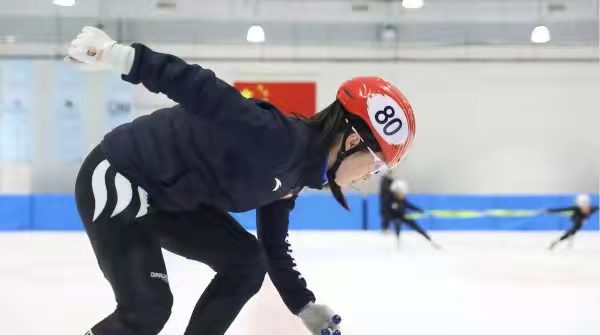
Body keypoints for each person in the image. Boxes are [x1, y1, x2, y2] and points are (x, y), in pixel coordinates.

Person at [67, 26, 416, 335]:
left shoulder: (295, 175)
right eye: (376, 165)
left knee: (248, 261)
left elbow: (273, 247)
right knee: (145, 310)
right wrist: (119, 55)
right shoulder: (278, 140)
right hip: (120, 173)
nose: (369, 177)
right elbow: (202, 91)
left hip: (167, 200)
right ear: (353, 142)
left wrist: (304, 306)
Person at [388, 180, 440, 249]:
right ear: (396, 193)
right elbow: (388, 212)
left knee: (417, 226)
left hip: (404, 216)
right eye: (401, 193)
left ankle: (430, 240)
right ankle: (397, 242)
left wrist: (419, 210)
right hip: (395, 217)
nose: (403, 195)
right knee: (397, 224)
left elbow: (409, 206)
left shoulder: (402, 200)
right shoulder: (390, 200)